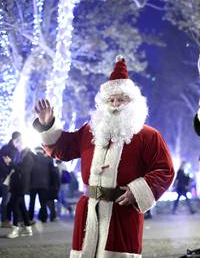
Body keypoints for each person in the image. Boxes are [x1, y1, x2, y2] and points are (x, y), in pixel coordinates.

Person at [33, 55, 175, 257]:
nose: (115, 104)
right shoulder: (89, 132)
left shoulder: (148, 136)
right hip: (88, 212)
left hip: (122, 212)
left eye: (121, 99)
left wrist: (137, 191)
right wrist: (47, 125)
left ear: (132, 102)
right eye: (111, 99)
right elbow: (62, 149)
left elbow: (165, 170)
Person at [5, 146, 34, 238]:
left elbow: (22, 170)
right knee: (22, 207)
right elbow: (17, 169)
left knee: (14, 206)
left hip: (21, 186)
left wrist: (11, 163)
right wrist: (10, 164)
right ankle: (28, 229)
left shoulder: (28, 157)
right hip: (18, 186)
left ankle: (15, 229)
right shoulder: (21, 156)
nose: (18, 146)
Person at [0, 131, 22, 228]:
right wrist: (6, 173)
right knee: (6, 199)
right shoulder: (6, 149)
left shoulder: (16, 150)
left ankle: (8, 219)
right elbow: (2, 163)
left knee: (9, 199)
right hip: (5, 178)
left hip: (12, 178)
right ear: (16, 139)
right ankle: (4, 220)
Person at [29, 146, 54, 223]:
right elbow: (51, 173)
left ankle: (30, 218)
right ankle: (44, 218)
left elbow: (29, 172)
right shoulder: (47, 160)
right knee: (43, 203)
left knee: (32, 202)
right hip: (44, 185)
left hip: (33, 185)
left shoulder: (31, 159)